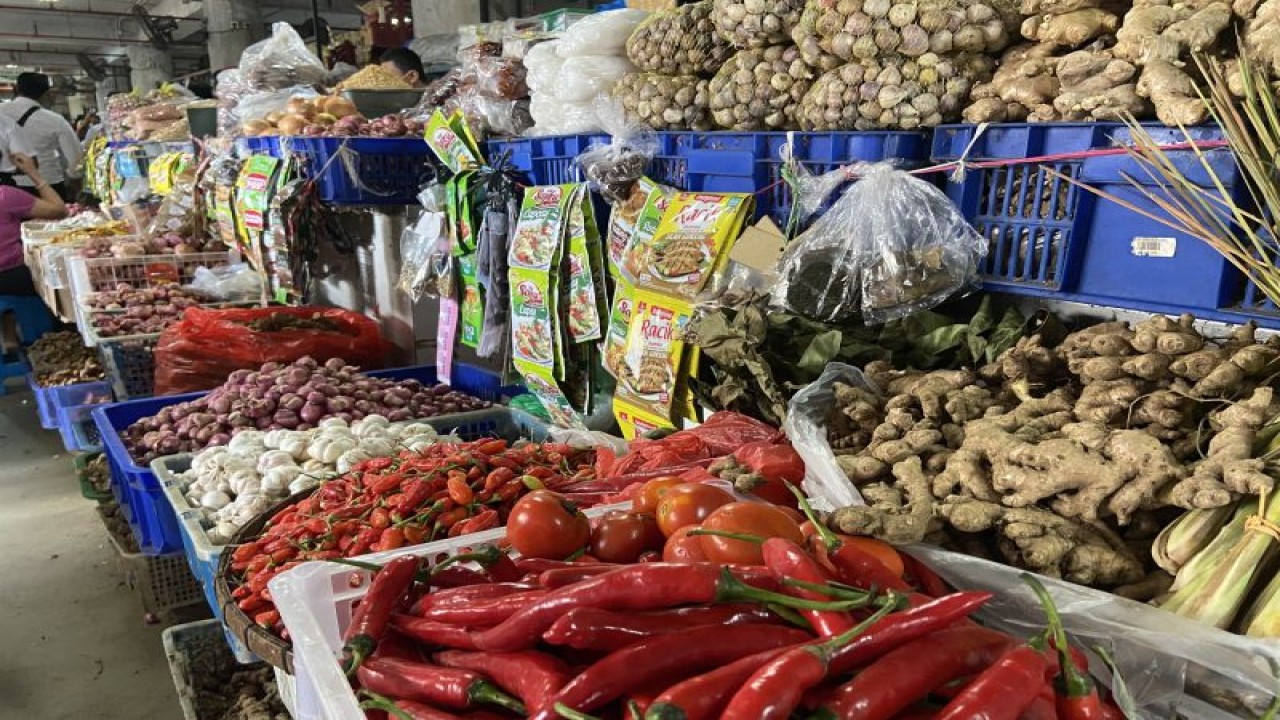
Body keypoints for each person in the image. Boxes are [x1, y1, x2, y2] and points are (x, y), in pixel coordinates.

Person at [0, 73, 84, 202]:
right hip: (48, 185)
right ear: (46, 93)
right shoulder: (55, 120)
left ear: (15, 88)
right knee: (52, 222)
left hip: (5, 187)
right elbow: (75, 157)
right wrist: (75, 178)